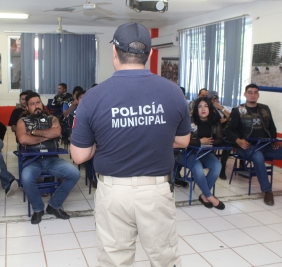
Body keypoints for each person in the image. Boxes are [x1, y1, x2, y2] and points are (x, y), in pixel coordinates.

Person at [70, 22, 191, 267]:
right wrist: (152, 132)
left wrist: (100, 144)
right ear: (149, 54)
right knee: (165, 259)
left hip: (113, 192)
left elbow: (79, 156)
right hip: (156, 191)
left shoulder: (93, 97)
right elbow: (183, 140)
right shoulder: (173, 91)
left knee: (115, 260)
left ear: (114, 52)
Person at [16, 92, 80, 225]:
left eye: (38, 103)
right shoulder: (22, 121)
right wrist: (47, 135)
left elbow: (57, 132)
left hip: (52, 159)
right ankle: (38, 209)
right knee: (26, 177)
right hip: (32, 160)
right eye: (32, 104)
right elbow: (22, 139)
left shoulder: (52, 118)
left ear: (42, 104)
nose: (36, 106)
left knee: (74, 173)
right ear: (27, 108)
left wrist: (33, 133)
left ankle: (54, 205)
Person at [226, 83, 282, 206]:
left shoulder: (265, 109)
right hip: (246, 146)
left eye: (255, 92)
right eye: (250, 92)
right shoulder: (238, 110)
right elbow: (229, 130)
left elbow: (272, 127)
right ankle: (267, 191)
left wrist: (274, 141)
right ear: (245, 94)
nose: (253, 95)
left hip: (265, 145)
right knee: (257, 156)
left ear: (258, 95)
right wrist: (238, 141)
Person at [176, 97, 225, 209]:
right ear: (196, 109)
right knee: (197, 166)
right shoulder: (189, 120)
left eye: (206, 106)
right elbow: (182, 140)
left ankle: (204, 195)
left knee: (217, 165)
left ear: (210, 108)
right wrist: (200, 141)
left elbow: (219, 139)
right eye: (200, 106)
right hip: (185, 153)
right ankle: (209, 196)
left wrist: (208, 142)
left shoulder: (214, 121)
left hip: (204, 153)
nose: (203, 109)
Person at [208, 90, 232, 179]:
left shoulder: (222, 108)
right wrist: (226, 119)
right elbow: (215, 122)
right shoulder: (207, 109)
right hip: (212, 134)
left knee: (229, 144)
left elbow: (231, 117)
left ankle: (223, 166)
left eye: (216, 98)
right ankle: (213, 165)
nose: (215, 100)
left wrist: (220, 108)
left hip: (224, 134)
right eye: (213, 99)